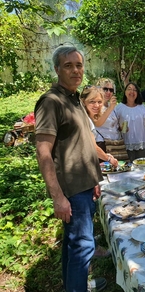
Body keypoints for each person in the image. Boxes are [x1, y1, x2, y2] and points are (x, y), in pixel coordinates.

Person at [34, 45, 107, 292]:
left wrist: (94, 178)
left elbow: (82, 145)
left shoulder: (74, 98)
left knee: (72, 244)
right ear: (56, 69)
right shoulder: (51, 101)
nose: (76, 70)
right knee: (83, 246)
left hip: (84, 185)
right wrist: (57, 197)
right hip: (71, 192)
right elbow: (44, 152)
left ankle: (72, 287)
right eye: (68, 66)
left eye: (78, 65)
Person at [80, 85, 119, 167]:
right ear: (83, 102)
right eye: (92, 102)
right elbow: (93, 147)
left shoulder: (88, 117)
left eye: (99, 102)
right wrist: (108, 158)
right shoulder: (83, 119)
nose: (97, 105)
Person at [115, 82, 145, 162]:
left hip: (141, 144)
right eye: (129, 89)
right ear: (125, 92)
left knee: (141, 169)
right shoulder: (119, 107)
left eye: (134, 90)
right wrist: (120, 128)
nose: (132, 92)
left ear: (137, 93)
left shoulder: (142, 107)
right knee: (127, 170)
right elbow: (113, 126)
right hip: (124, 144)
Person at [94, 78, 121, 147]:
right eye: (105, 89)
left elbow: (113, 125)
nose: (108, 92)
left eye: (111, 90)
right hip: (102, 143)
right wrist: (110, 108)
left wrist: (121, 127)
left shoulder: (112, 106)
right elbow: (97, 123)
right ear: (98, 89)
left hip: (115, 143)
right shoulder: (95, 105)